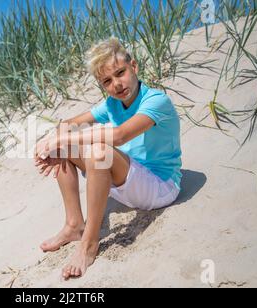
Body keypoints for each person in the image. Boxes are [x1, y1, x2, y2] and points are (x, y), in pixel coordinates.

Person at [34, 37, 182, 280]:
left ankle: (89, 245)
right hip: (126, 181)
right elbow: (68, 124)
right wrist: (48, 144)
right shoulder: (112, 104)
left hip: (159, 188)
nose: (117, 84)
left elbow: (120, 135)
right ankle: (74, 226)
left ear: (134, 67)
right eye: (107, 81)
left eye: (120, 73)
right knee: (64, 147)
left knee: (98, 150)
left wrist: (64, 139)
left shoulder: (156, 100)